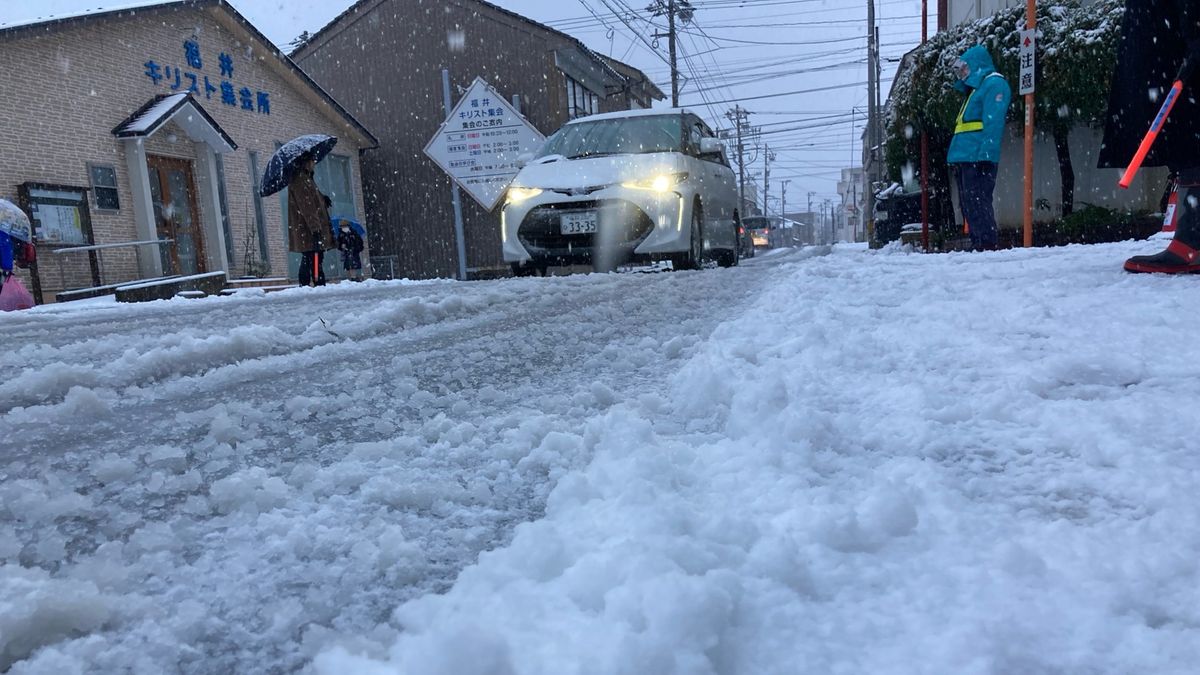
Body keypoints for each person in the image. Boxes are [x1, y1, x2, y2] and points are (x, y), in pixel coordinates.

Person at [1099, 0, 1200, 273]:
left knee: (1190, 137)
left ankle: (1193, 241)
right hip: (1165, 44)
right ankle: (1191, 239)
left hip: (1175, 42)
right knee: (1183, 139)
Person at [947, 45, 1012, 252]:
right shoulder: (977, 89)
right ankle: (978, 242)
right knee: (969, 202)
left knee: (978, 200)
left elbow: (994, 123)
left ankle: (985, 243)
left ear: (976, 64)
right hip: (966, 155)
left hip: (977, 156)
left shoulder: (993, 84)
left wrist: (986, 154)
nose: (962, 74)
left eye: (965, 68)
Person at [286, 154, 335, 286]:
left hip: (309, 227)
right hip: (308, 228)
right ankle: (312, 283)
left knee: (314, 256)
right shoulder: (300, 179)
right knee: (312, 256)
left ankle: (313, 282)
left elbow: (312, 201)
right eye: (312, 161)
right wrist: (315, 228)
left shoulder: (307, 178)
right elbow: (307, 207)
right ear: (306, 162)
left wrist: (323, 198)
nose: (314, 164)